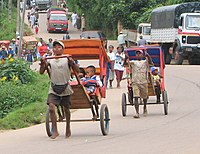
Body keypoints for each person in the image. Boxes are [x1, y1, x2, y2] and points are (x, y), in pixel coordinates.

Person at [39, 40, 79, 139]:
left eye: (59, 47)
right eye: (55, 47)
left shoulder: (66, 59)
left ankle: (68, 127)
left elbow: (77, 71)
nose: (56, 49)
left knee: (66, 109)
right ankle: (55, 131)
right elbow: (41, 72)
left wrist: (72, 63)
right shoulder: (50, 60)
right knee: (51, 107)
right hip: (53, 87)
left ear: (63, 49)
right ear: (52, 49)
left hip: (65, 86)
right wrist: (43, 64)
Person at [128, 49, 153, 118]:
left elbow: (151, 63)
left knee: (144, 97)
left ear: (142, 55)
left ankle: (144, 107)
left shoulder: (145, 62)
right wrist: (126, 58)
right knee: (136, 97)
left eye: (140, 54)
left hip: (143, 81)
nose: (138, 55)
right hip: (135, 82)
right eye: (137, 54)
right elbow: (125, 64)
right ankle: (137, 112)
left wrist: (148, 56)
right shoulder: (133, 62)